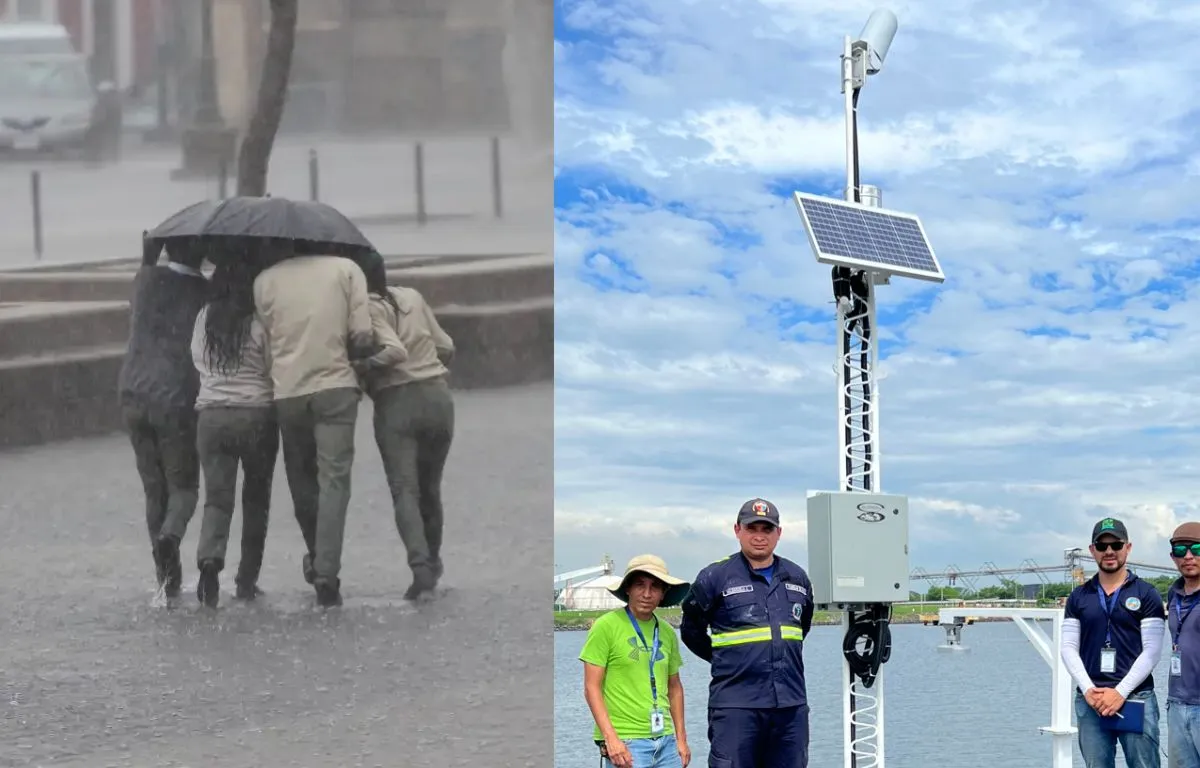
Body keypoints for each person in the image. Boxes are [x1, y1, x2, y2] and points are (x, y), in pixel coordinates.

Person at [252, 243, 378, 607]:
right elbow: (363, 334)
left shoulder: (264, 280)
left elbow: (266, 341)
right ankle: (326, 571)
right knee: (334, 481)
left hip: (288, 391)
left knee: (301, 480)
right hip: (335, 388)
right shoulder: (346, 269)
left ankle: (316, 552)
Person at [679, 498, 815, 768]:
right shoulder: (714, 577)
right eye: (752, 528)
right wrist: (726, 658)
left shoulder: (797, 577)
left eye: (767, 529)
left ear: (779, 533)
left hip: (790, 706)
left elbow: (802, 628)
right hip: (736, 707)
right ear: (737, 530)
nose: (759, 536)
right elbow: (691, 631)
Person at [356, 254, 456, 601]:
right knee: (431, 489)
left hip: (396, 402)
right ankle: (434, 560)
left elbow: (394, 351)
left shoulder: (367, 308)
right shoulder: (412, 296)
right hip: (438, 399)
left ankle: (420, 567)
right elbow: (446, 346)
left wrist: (364, 366)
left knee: (405, 491)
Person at [118, 236, 209, 599]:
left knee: (153, 489)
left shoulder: (145, 280)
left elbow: (143, 283)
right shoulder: (203, 292)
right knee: (184, 488)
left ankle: (166, 577)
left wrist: (148, 255)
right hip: (174, 398)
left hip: (132, 393)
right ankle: (170, 536)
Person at [190, 260, 279, 608]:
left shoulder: (204, 318)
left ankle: (209, 560)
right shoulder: (259, 321)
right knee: (256, 499)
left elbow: (196, 360)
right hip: (256, 416)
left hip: (211, 417)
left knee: (217, 498)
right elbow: (271, 367)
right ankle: (246, 578)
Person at [1060, 517, 1165, 768]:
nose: (1109, 551)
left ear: (1128, 548)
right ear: (1092, 550)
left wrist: (1120, 692)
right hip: (1092, 700)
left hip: (1136, 697)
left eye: (1116, 545)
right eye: (1102, 545)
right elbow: (1068, 648)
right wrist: (1088, 689)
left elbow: (1152, 651)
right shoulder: (1079, 596)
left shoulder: (1146, 593)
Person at [579, 554, 692, 768]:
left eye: (655, 587)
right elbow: (591, 687)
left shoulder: (667, 632)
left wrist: (681, 739)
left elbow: (674, 687)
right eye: (640, 585)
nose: (647, 594)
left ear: (663, 593)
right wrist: (611, 739)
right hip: (626, 741)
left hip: (666, 741)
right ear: (628, 589)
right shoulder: (606, 627)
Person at [1167, 521, 1200, 768]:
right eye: (1180, 550)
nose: (1188, 556)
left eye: (1196, 549)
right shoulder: (1174, 594)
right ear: (1173, 557)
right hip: (1178, 704)